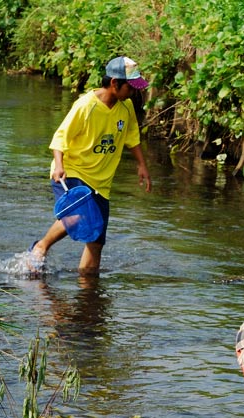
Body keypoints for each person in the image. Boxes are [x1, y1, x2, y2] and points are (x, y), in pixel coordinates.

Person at [29, 56, 152, 274]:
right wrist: (59, 165)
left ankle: (88, 289)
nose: (134, 92)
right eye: (130, 87)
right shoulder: (86, 106)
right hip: (72, 172)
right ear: (115, 83)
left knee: (96, 242)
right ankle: (41, 246)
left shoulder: (126, 107)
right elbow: (60, 137)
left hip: (101, 182)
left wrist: (142, 165)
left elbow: (132, 136)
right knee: (79, 216)